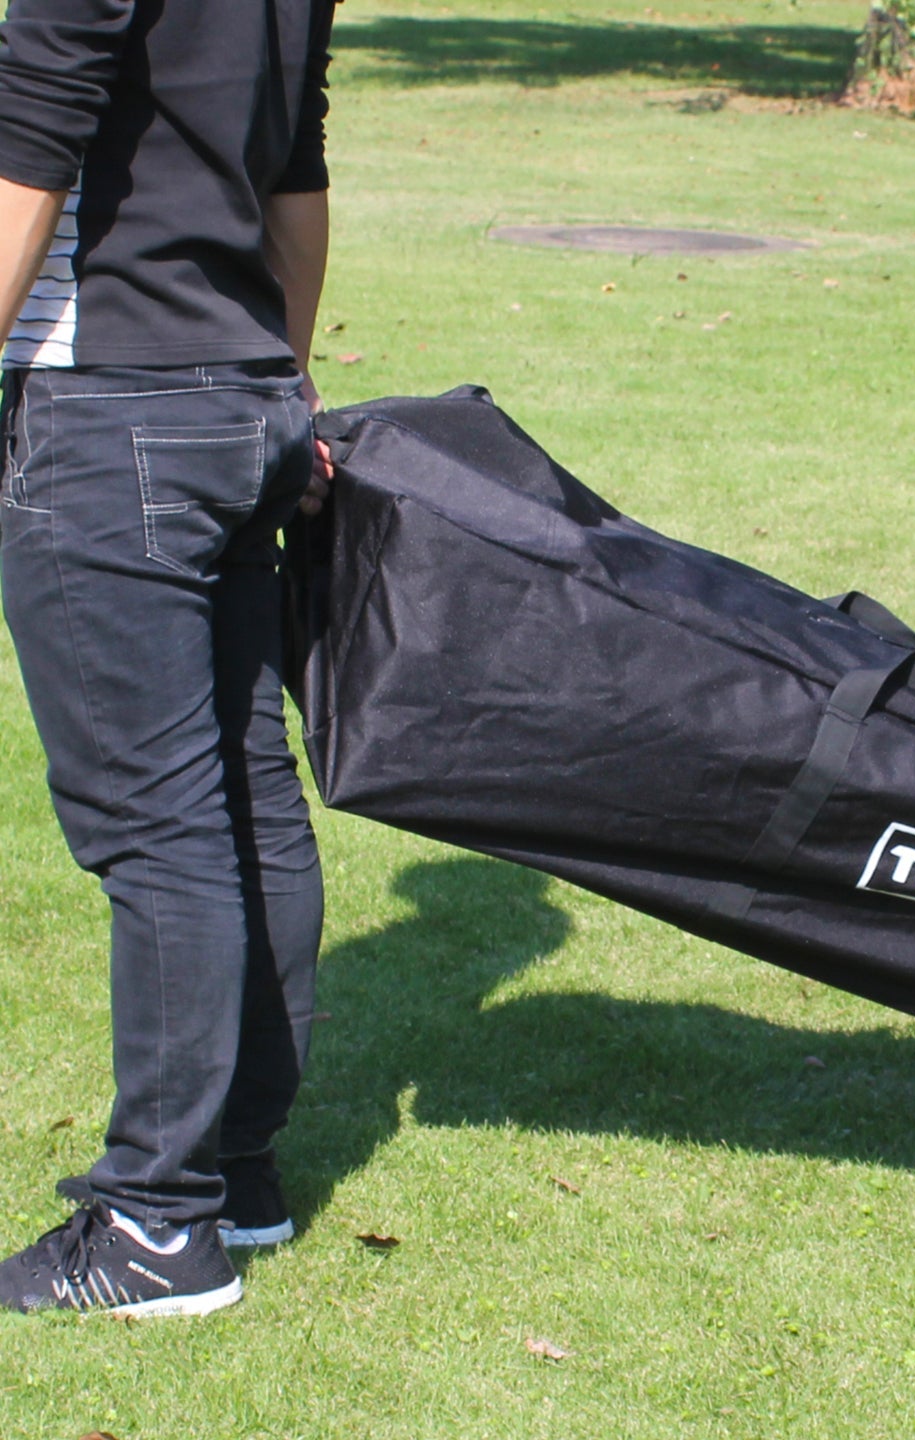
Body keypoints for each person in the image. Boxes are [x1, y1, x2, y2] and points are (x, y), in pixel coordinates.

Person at [0, 0, 336, 1315]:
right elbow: (295, 161)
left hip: (110, 398)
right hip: (238, 386)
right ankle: (232, 1172)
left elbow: (32, 133)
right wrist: (284, 385)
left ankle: (152, 1225)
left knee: (157, 825)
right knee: (243, 794)